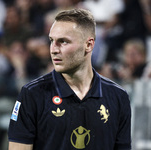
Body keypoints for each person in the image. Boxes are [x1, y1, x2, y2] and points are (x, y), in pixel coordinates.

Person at [8, 8, 131, 150]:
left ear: (89, 45)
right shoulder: (32, 94)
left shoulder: (118, 97)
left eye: (63, 42)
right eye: (51, 41)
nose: (54, 49)